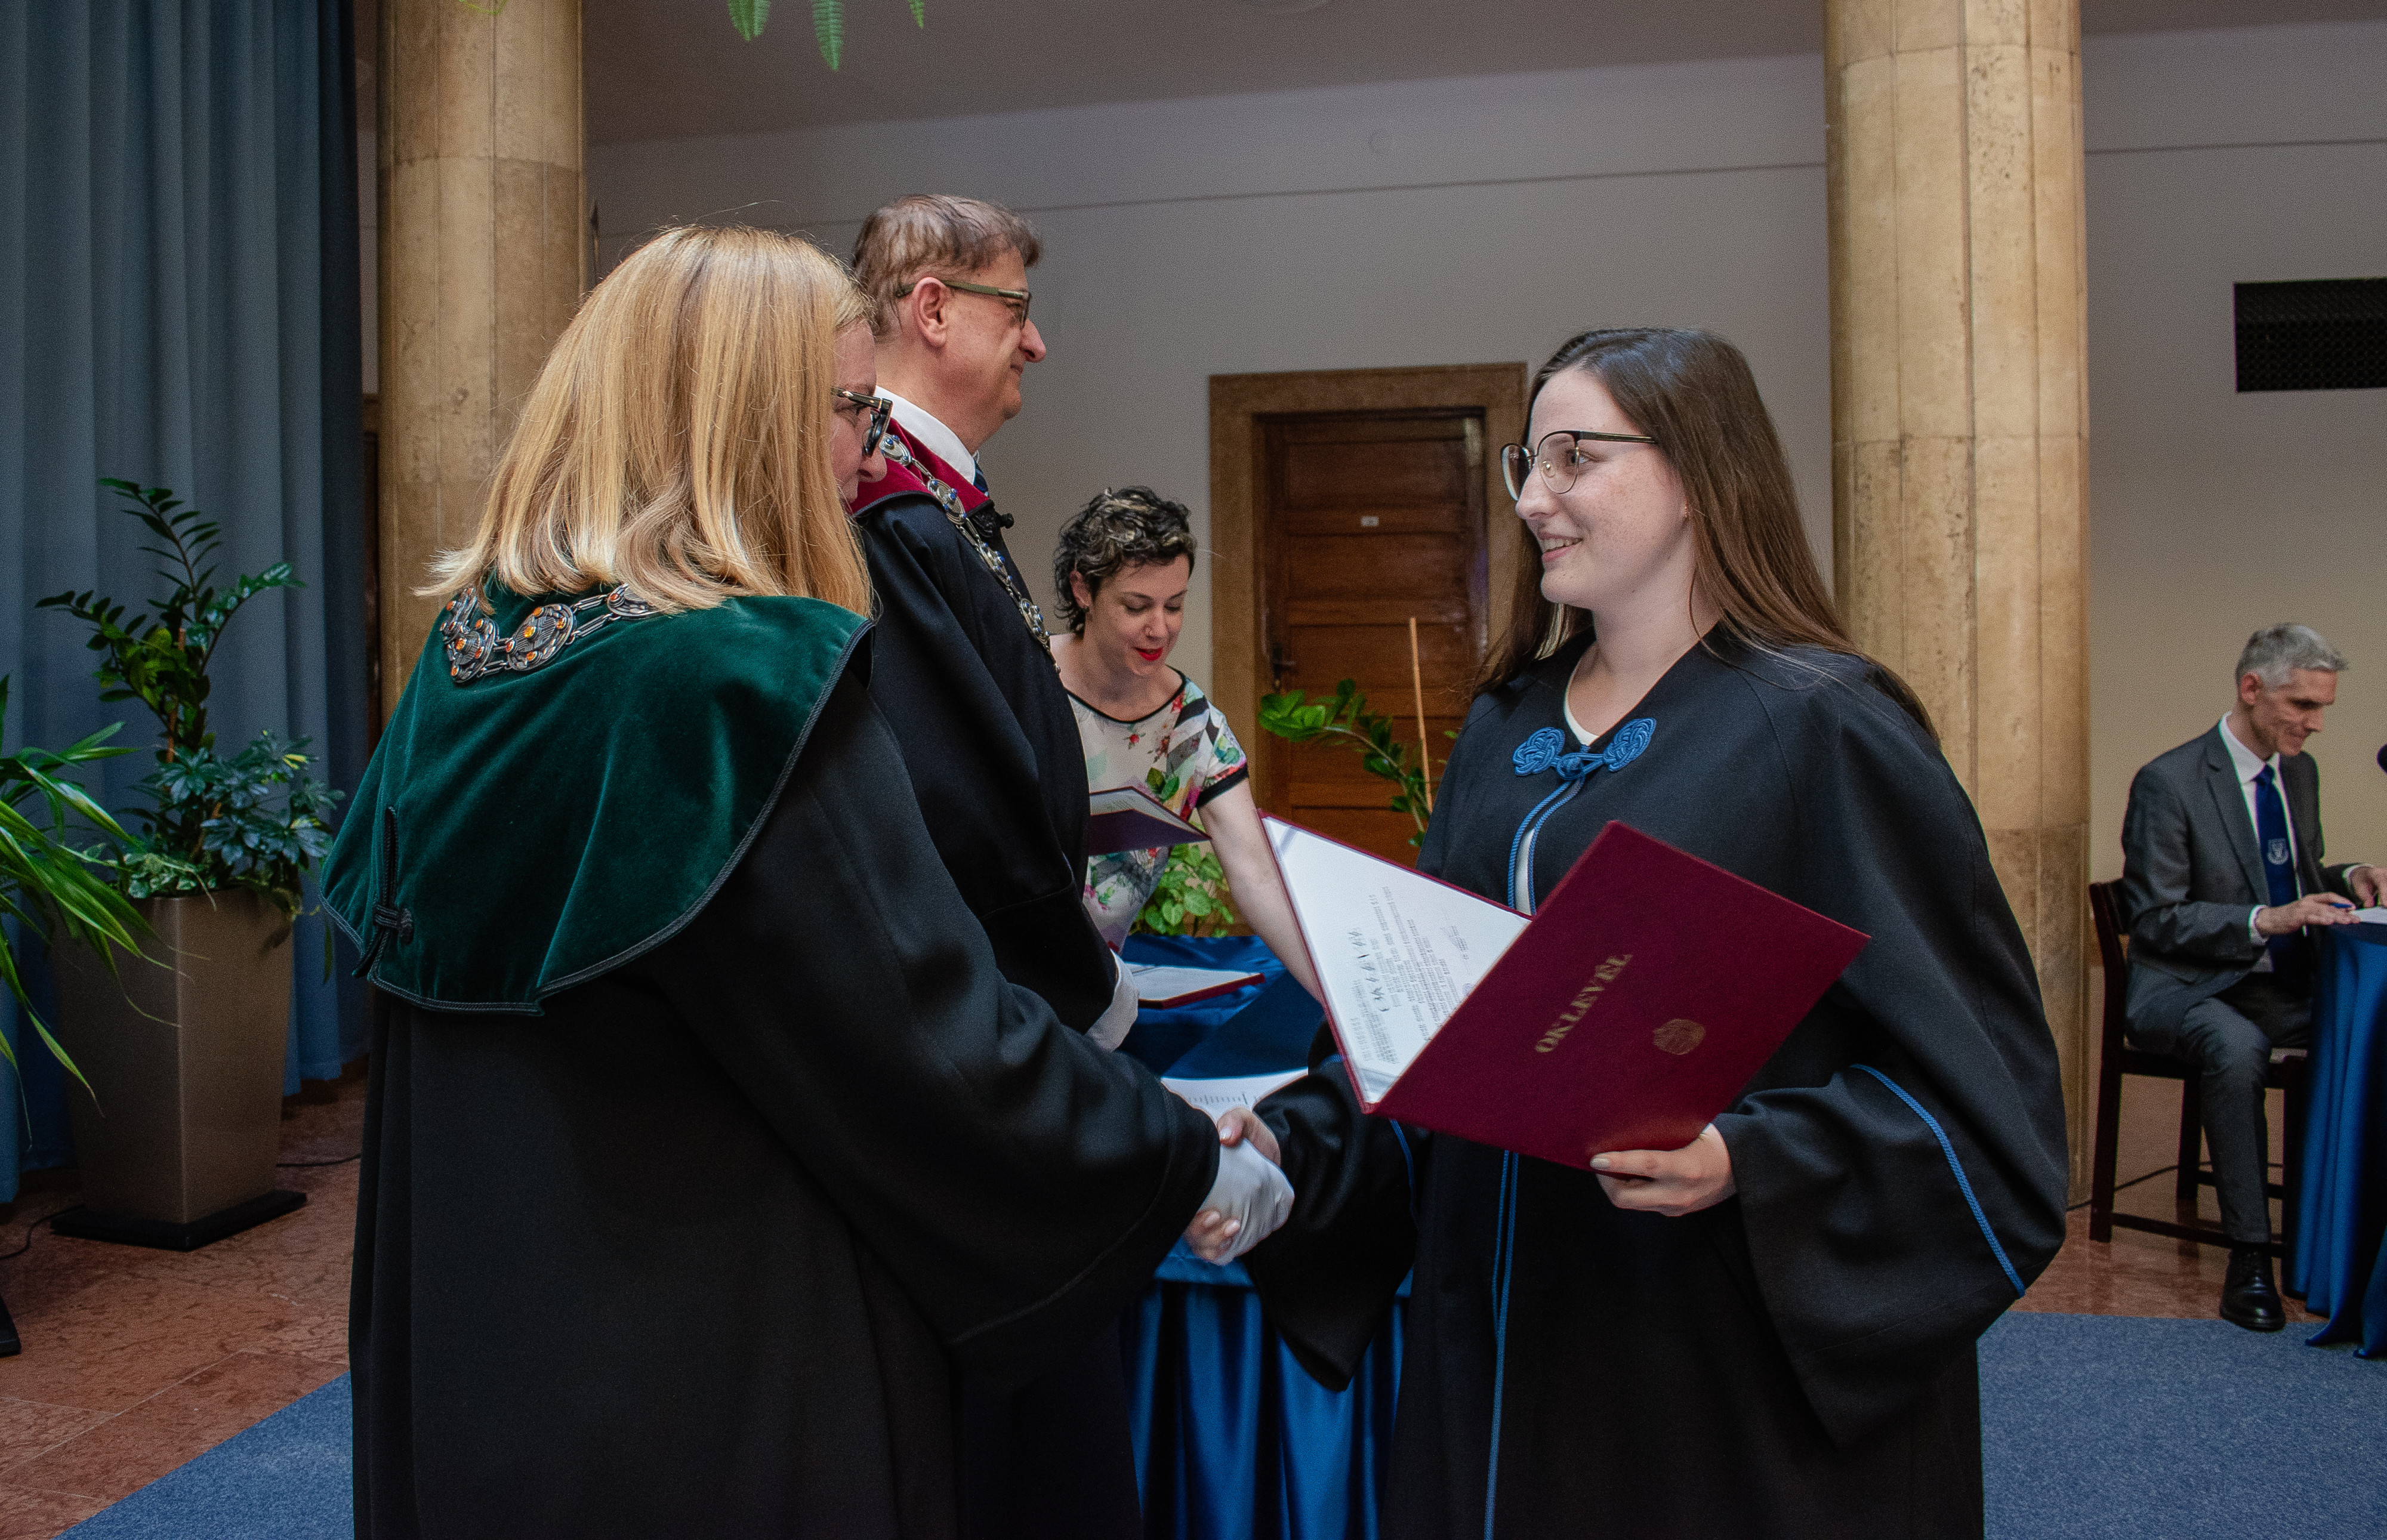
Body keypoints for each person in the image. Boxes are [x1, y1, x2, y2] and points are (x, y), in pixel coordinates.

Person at [323, 225, 1290, 1539]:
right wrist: (1172, 1158)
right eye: (848, 409)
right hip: (705, 1357)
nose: (866, 451)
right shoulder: (735, 682)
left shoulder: (472, 657)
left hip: (486, 1347)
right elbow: (927, 1036)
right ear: (745, 425)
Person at [1218, 328, 2071, 1538]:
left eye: (1576, 457)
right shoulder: (1506, 726)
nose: (1532, 499)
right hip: (1504, 1329)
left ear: (1697, 473)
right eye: (1528, 462)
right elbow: (1442, 1034)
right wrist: (1288, 1152)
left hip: (1704, 1355)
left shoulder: (1822, 727)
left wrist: (1748, 1158)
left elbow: (1978, 1093)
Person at [843, 194, 1139, 1043]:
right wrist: (1082, 990)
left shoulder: (931, 491)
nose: (1035, 344)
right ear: (933, 310)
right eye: (1016, 310)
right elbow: (955, 804)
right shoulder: (884, 508)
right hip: (983, 1002)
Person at [2118, 623, 2382, 1331]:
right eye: (2303, 705)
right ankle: (2250, 1259)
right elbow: (2154, 920)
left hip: (2273, 984)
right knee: (2236, 1049)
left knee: (2368, 1025)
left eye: (2322, 708)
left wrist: (2351, 874)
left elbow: (2296, 872)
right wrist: (2266, 919)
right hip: (2185, 986)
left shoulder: (2297, 772)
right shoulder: (2168, 782)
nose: (2315, 724)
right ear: (2251, 687)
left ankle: (2340, 1233)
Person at [1049, 486, 1325, 1000]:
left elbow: (1256, 874)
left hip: (1095, 992)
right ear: (1083, 589)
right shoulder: (1025, 679)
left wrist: (1336, 1001)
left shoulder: (1193, 726)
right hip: (998, 979)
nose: (1160, 629)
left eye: (1174, 606)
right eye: (1137, 606)